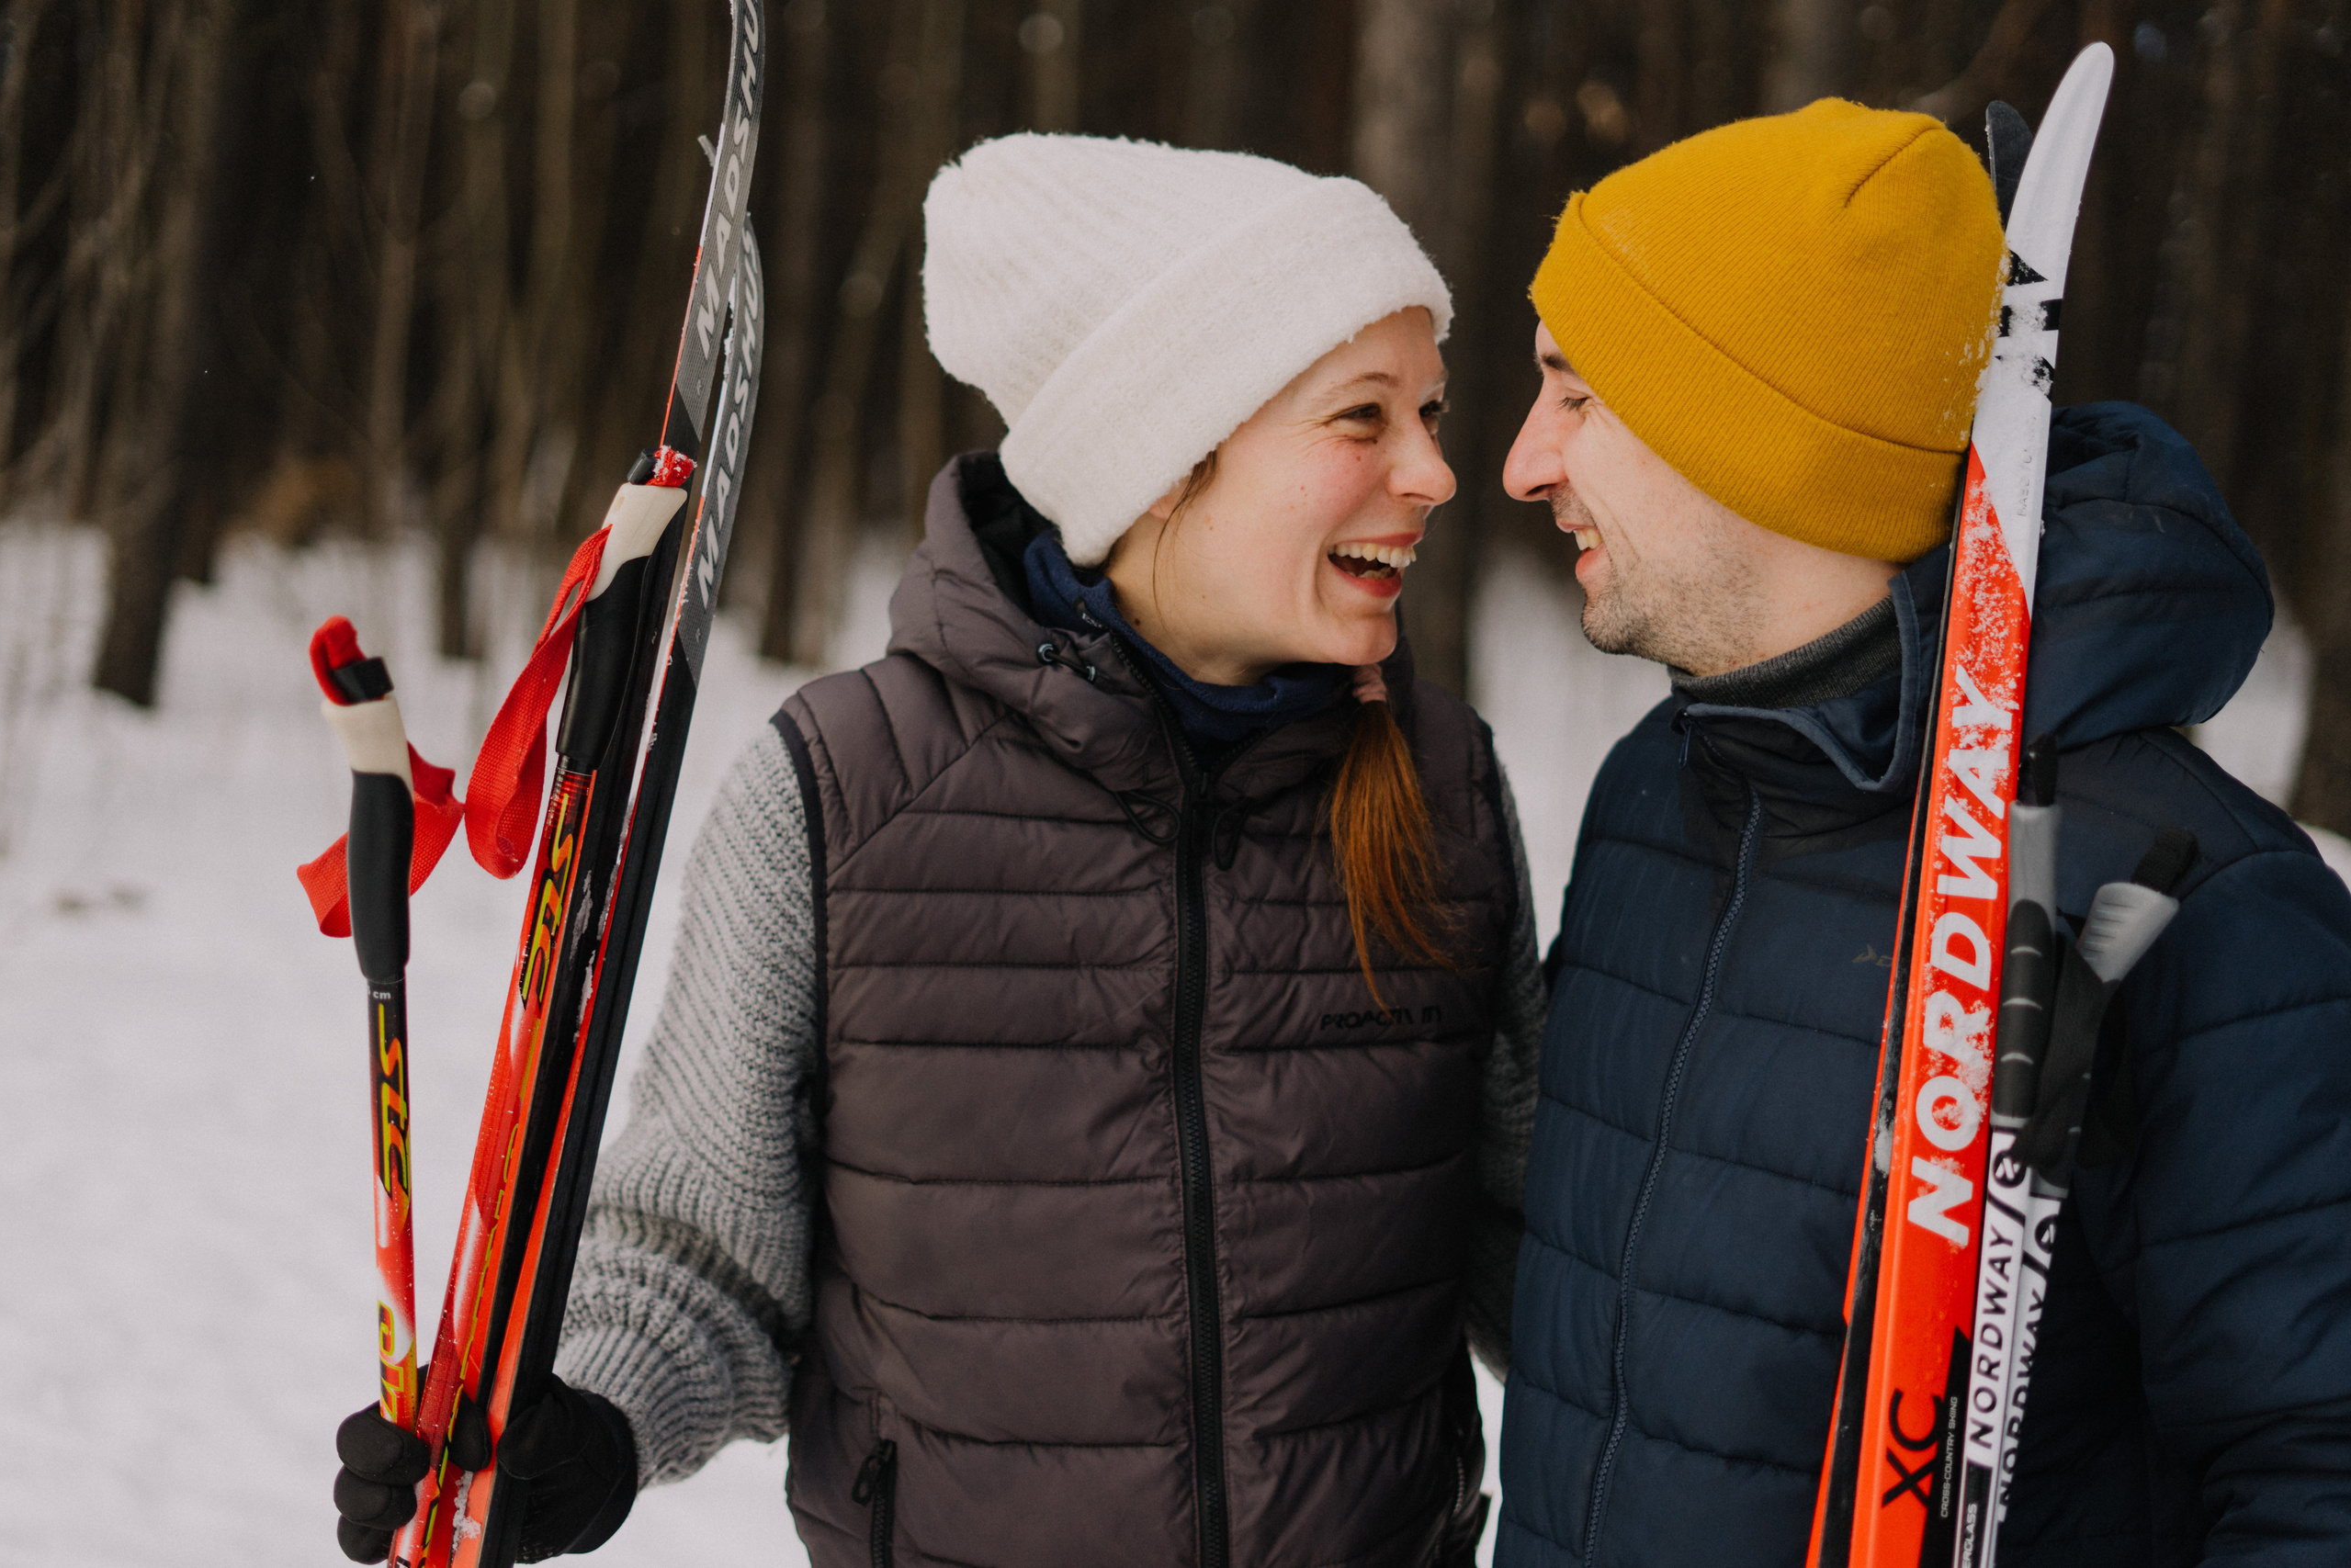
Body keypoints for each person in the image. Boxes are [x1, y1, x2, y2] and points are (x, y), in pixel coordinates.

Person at [332, 134, 1547, 1568]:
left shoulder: (1437, 782)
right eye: (1365, 417)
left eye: (1431, 411)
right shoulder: (842, 797)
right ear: (1163, 459)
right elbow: (699, 1249)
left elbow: (1540, 1253)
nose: (1439, 470)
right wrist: (586, 1425)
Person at [1492, 98, 2351, 1566]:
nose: (1523, 461)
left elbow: (2313, 1481)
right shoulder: (1668, 786)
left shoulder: (2192, 901)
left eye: (1577, 394)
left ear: (1758, 432)